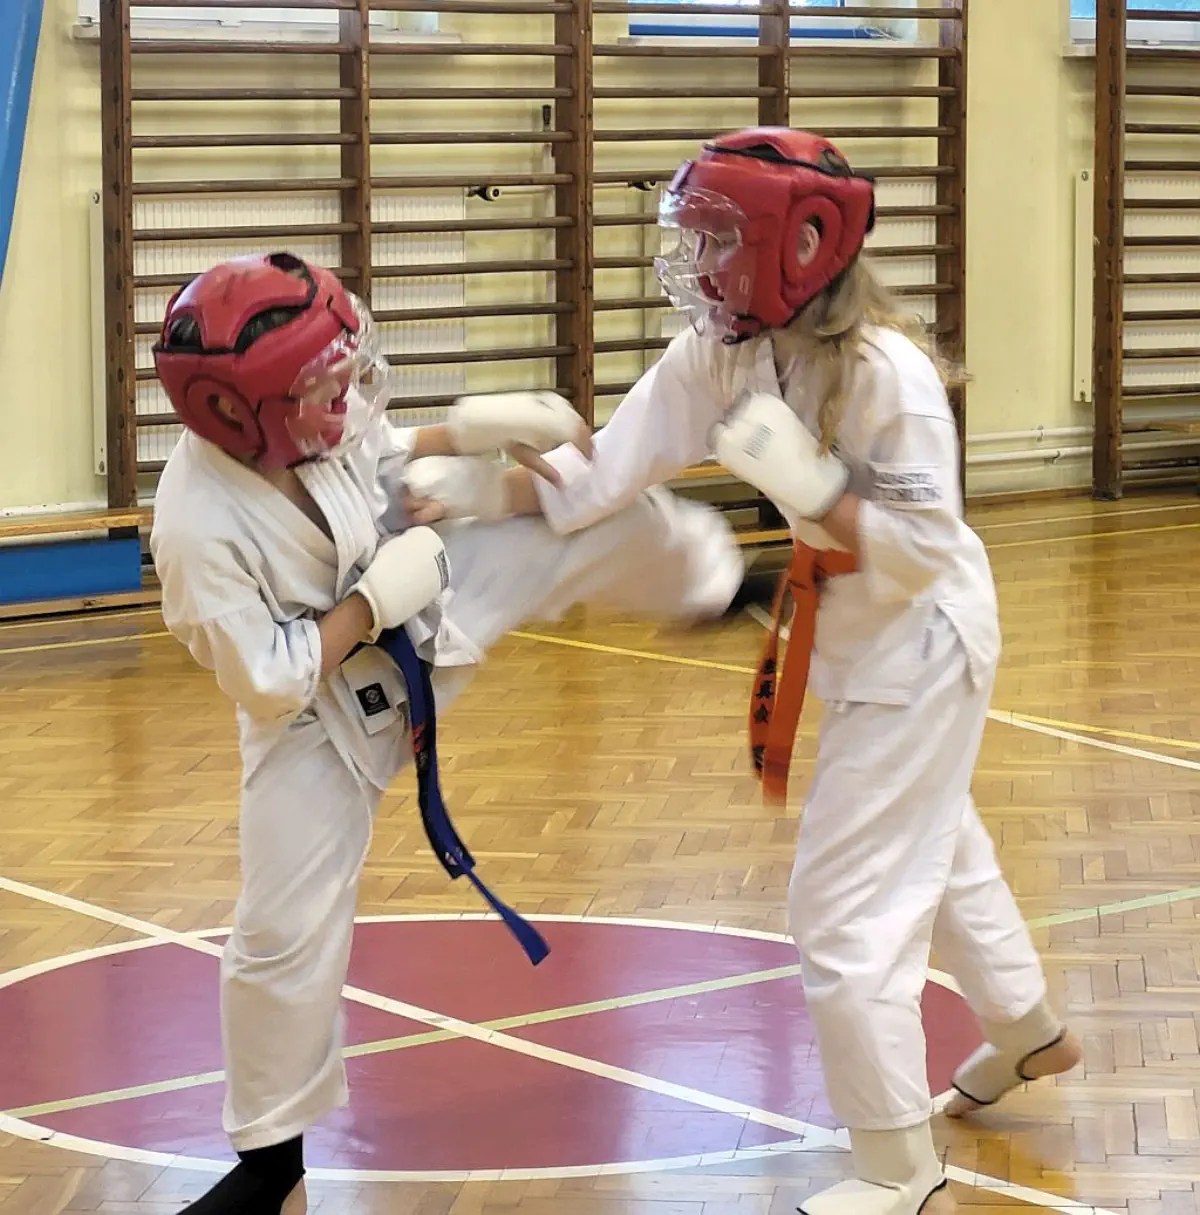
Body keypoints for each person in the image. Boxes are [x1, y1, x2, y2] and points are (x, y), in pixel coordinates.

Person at [412, 128, 1083, 1215]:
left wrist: (816, 488)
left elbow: (923, 552)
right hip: (854, 632)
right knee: (934, 842)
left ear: (798, 247)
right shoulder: (719, 349)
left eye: (719, 239)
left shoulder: (889, 377)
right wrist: (474, 488)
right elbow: (603, 474)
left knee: (846, 907)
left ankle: (898, 1166)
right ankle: (1029, 1030)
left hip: (923, 643)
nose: (698, 261)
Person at [147, 250, 744, 1214]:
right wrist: (370, 605)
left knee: (583, 516)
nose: (343, 396)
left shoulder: (296, 418)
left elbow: (373, 447)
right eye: (322, 388)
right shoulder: (195, 528)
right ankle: (270, 1168)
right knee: (278, 931)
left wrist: (468, 433)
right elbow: (270, 679)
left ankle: (715, 586)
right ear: (243, 415)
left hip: (419, 590)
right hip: (317, 719)